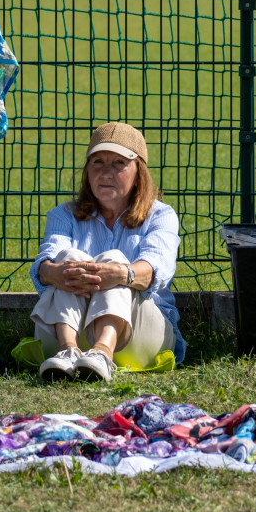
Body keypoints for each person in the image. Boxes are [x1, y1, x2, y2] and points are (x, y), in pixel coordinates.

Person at [29, 122, 185, 382]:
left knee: (116, 262)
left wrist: (122, 274)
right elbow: (47, 259)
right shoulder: (64, 214)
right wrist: (54, 271)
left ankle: (102, 352)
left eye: (118, 163)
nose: (105, 173)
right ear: (87, 171)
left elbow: (157, 270)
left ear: (139, 173)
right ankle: (68, 351)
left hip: (139, 337)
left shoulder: (161, 215)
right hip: (67, 332)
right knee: (68, 258)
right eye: (98, 162)